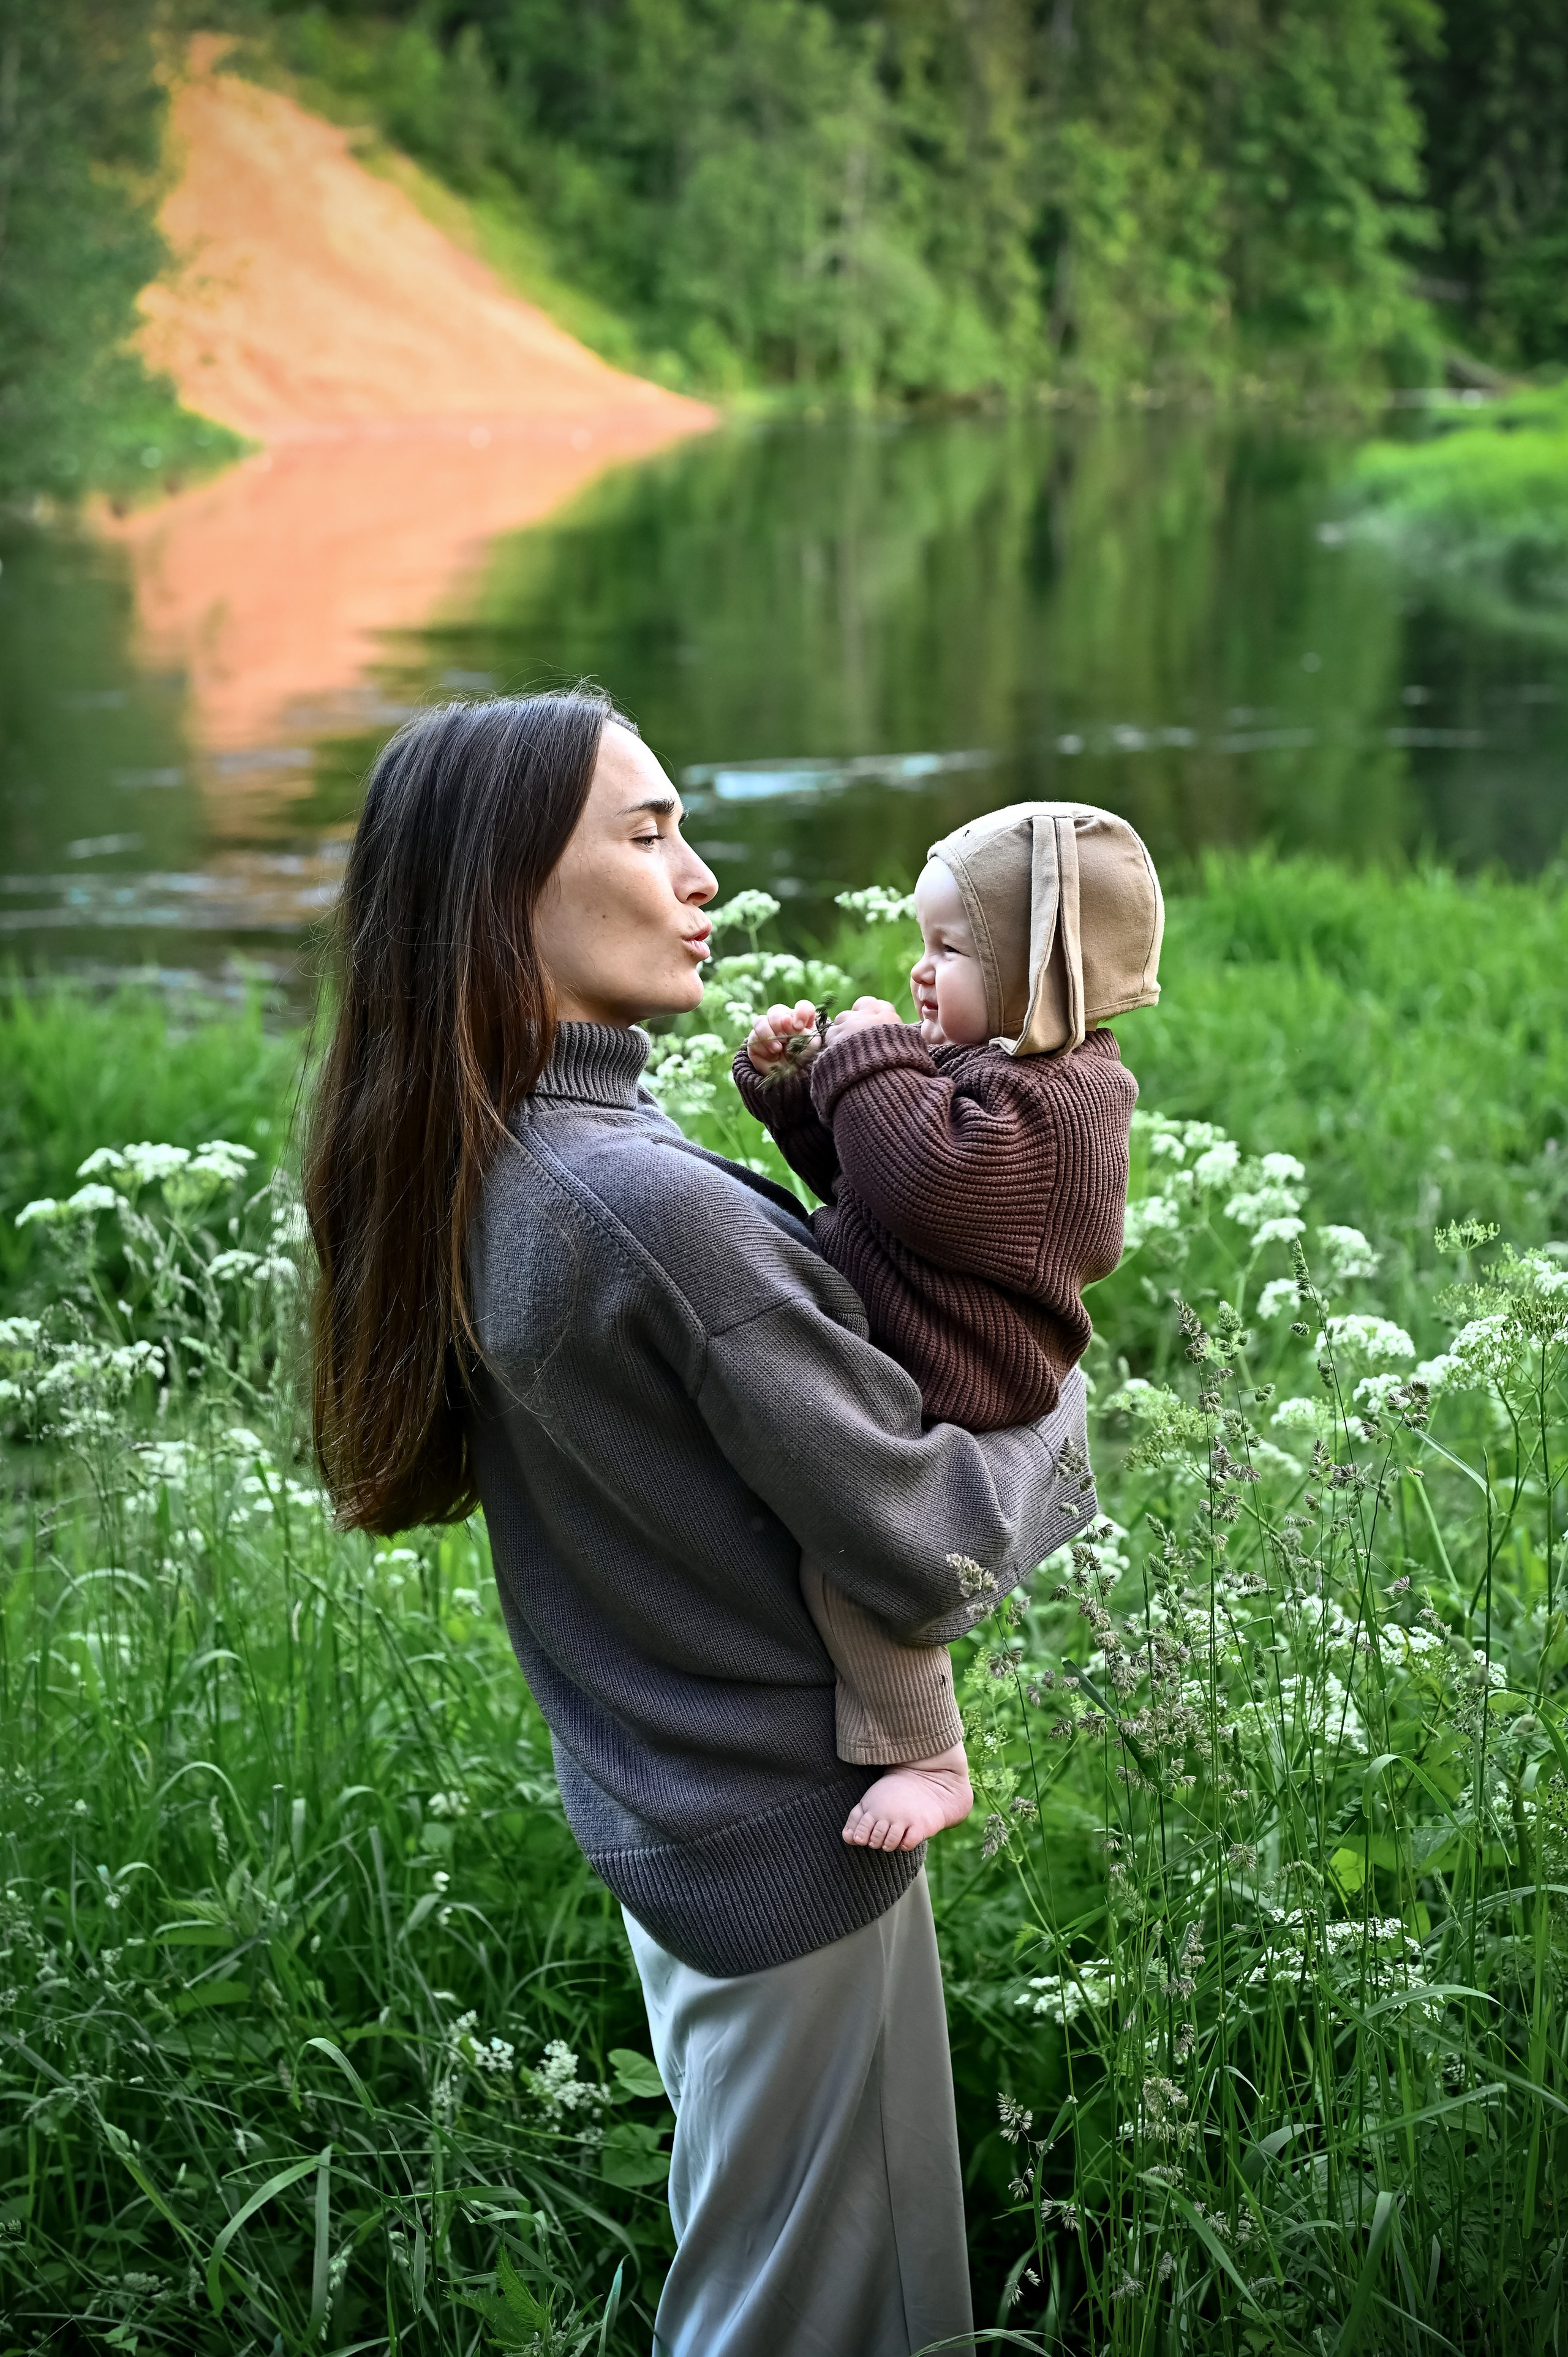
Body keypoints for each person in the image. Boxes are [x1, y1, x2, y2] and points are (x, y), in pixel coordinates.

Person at [304, 690, 1100, 2357]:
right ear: (504, 883)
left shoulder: (511, 1152)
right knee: (820, 2320)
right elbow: (926, 1534)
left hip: (683, 1824)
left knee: (761, 2269)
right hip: (797, 1843)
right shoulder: (633, 1202)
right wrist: (1058, 1398)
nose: (704, 876)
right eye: (649, 831)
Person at [734, 804, 1163, 1854]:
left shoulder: (1070, 1102)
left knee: (854, 1542)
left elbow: (928, 1183)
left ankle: (928, 1751)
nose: (921, 972)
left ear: (1038, 968)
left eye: (952, 948)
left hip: (968, 1366)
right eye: (921, 946)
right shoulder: (992, 1070)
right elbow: (871, 1187)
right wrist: (799, 1095)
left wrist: (872, 1058)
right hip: (921, 1326)